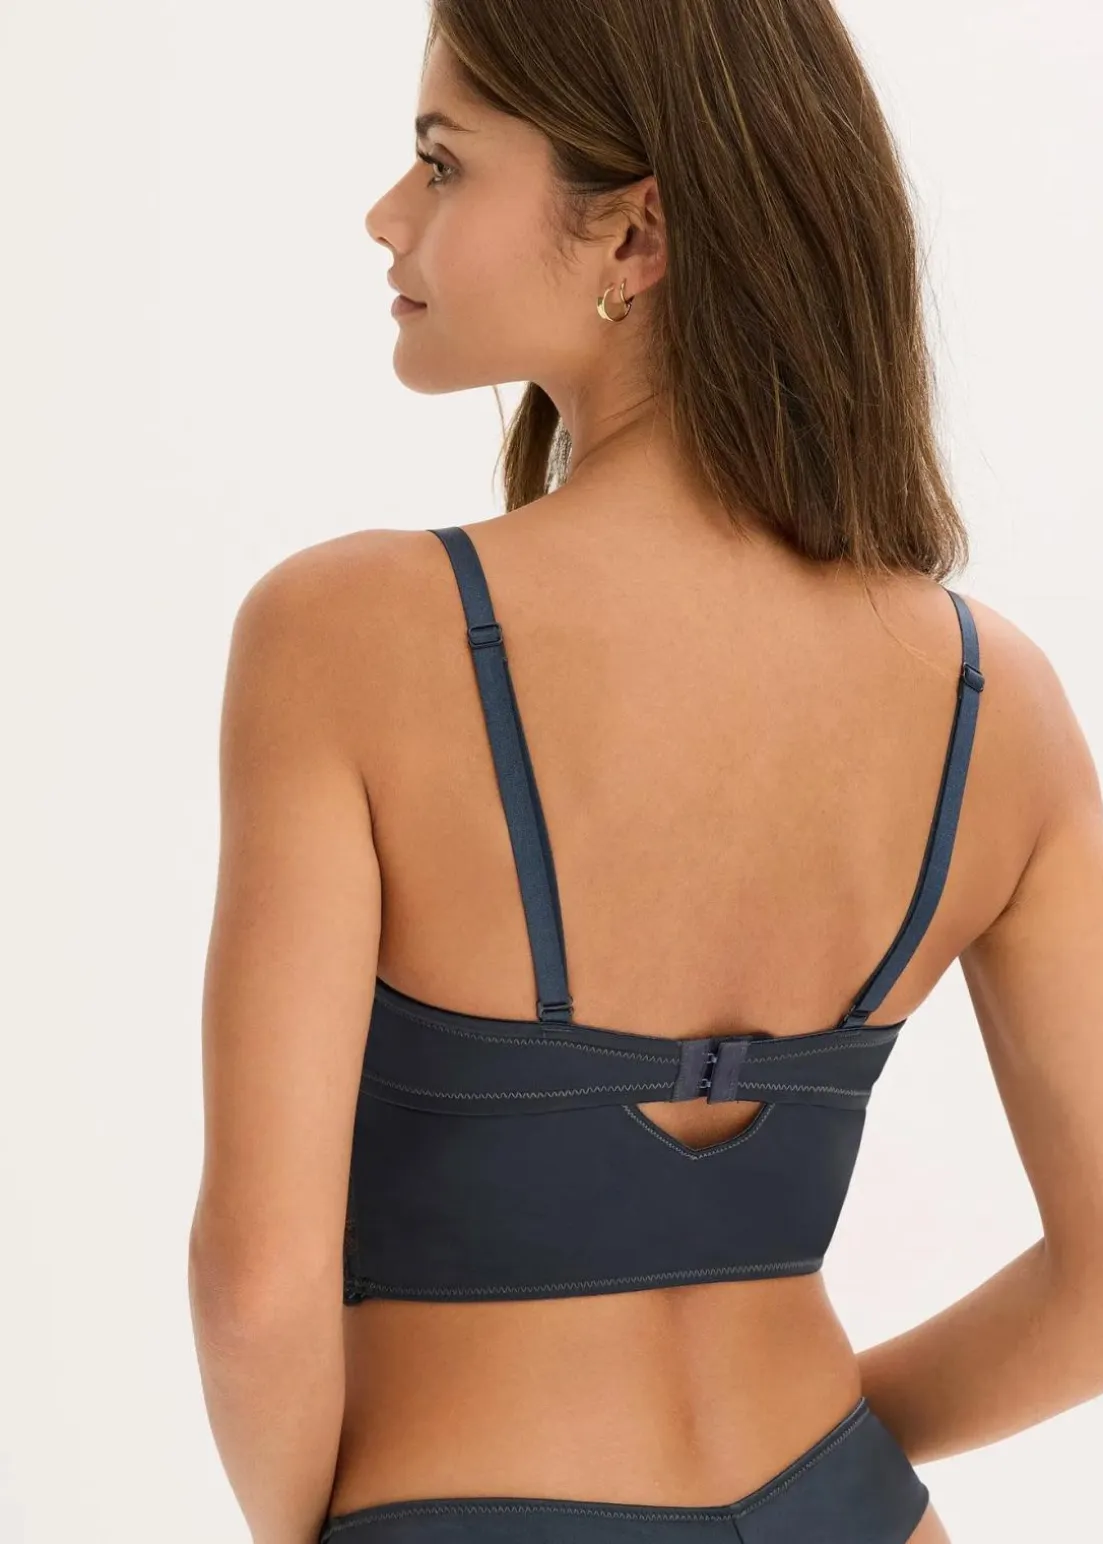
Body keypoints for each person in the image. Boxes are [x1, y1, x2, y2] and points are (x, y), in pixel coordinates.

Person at [187, 4, 1103, 1543]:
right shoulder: (989, 698)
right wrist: (832, 1460)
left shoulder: (348, 632)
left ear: (634, 236)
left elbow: (254, 1288)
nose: (387, 215)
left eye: (441, 163)